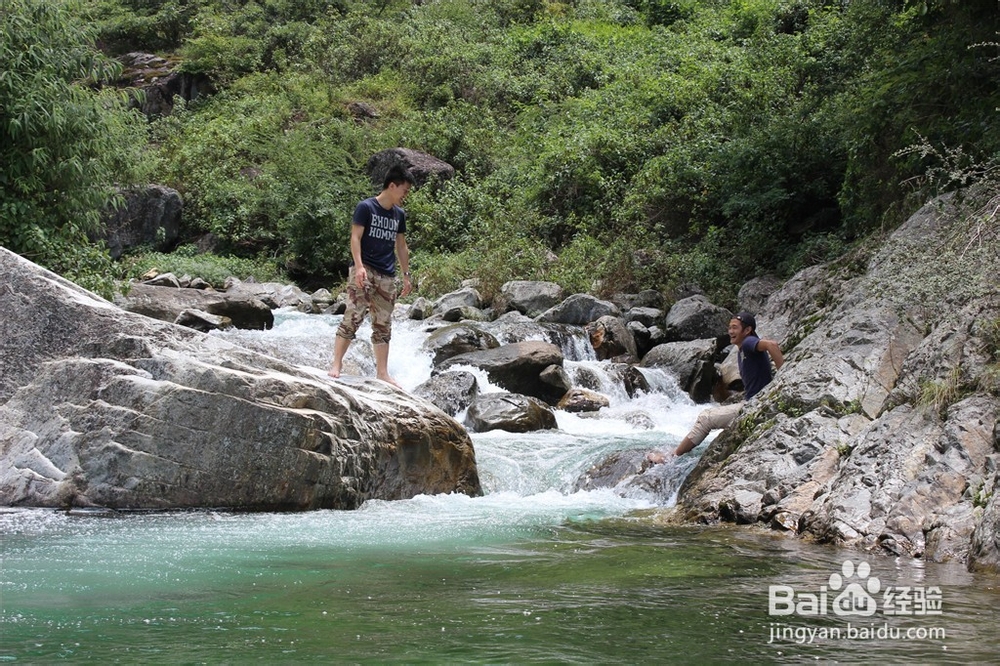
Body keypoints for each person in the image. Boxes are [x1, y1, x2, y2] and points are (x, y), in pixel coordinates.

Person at [649, 311, 783, 463]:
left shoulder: (748, 342)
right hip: (754, 401)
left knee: (706, 418)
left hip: (755, 404)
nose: (731, 331)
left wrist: (785, 374)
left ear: (747, 330)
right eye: (729, 328)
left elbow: (772, 345)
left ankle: (670, 457)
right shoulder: (744, 347)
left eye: (735, 328)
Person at [328, 165, 415, 388]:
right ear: (392, 185)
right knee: (354, 315)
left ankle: (382, 373)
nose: (406, 195)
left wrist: (406, 276)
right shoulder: (366, 207)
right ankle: (336, 364)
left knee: (383, 324)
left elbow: (401, 246)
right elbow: (355, 237)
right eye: (404, 190)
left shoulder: (399, 214)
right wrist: (358, 267)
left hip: (387, 274)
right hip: (365, 268)